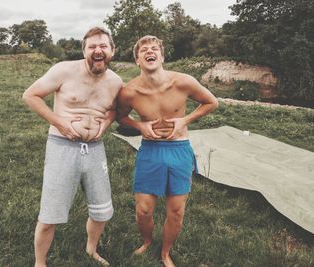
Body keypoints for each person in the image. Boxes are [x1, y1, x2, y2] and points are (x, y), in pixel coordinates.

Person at [22, 27, 122, 267]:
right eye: (92, 47)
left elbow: (117, 109)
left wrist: (106, 124)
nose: (98, 50)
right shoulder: (64, 70)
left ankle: (91, 249)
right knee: (50, 214)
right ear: (84, 50)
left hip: (95, 149)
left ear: (112, 51)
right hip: (62, 146)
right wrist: (60, 123)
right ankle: (40, 263)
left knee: (101, 212)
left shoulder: (116, 82)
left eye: (103, 46)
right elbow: (31, 95)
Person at [116, 35, 218, 267]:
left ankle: (165, 252)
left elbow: (212, 102)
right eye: (144, 50)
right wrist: (139, 125)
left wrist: (185, 120)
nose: (150, 52)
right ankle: (147, 241)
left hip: (179, 149)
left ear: (162, 57)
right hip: (150, 151)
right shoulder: (129, 92)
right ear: (137, 60)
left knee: (176, 211)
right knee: (143, 210)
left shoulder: (183, 82)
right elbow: (120, 117)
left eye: (154, 49)